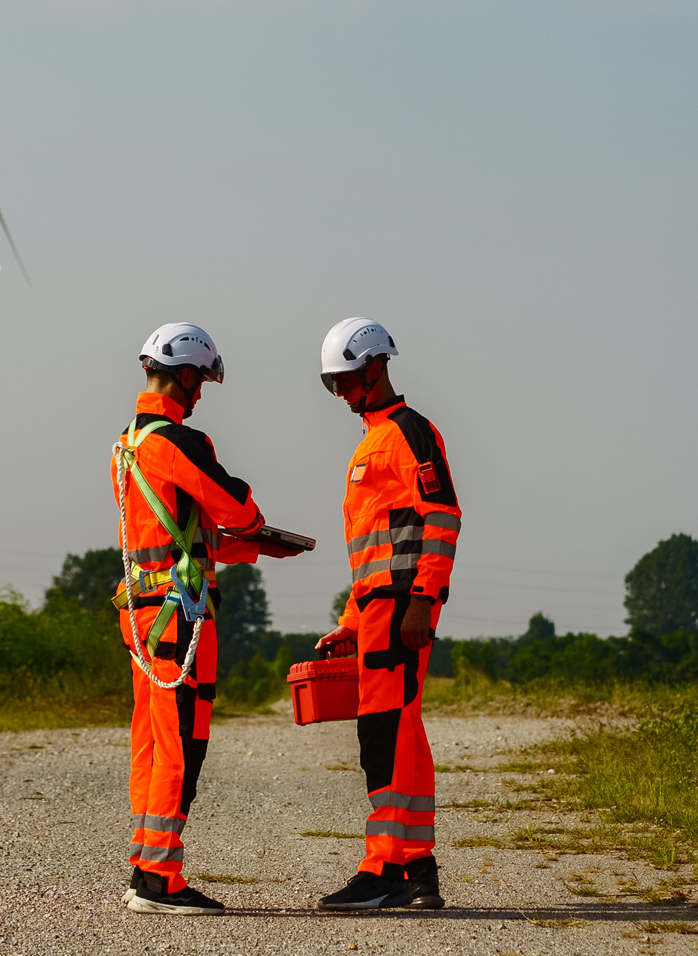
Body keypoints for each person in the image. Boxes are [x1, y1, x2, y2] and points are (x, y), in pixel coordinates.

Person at [112, 322, 304, 914]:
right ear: (187, 374)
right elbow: (238, 507)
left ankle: (147, 863)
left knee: (151, 740)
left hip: (145, 610)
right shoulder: (181, 441)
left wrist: (252, 547)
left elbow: (181, 533)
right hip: (181, 618)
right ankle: (159, 881)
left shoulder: (125, 445)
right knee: (180, 745)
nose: (200, 396)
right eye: (200, 383)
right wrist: (254, 526)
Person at [313, 317, 459, 911]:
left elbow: (443, 517)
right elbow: (372, 552)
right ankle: (417, 870)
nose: (341, 393)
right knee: (403, 738)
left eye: (345, 380)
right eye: (331, 384)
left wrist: (424, 600)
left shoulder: (410, 433)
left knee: (384, 735)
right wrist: (351, 620)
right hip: (378, 610)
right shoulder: (372, 439)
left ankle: (383, 871)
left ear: (375, 368)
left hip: (403, 609)